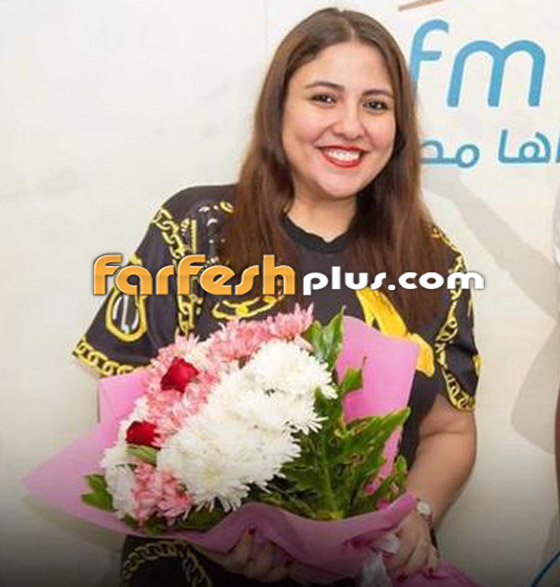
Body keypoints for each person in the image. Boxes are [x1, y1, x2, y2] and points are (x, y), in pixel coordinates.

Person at [74, 8, 479, 586]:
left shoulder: (433, 263)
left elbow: (449, 431)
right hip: (197, 568)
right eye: (324, 98)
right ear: (278, 109)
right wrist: (206, 526)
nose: (351, 125)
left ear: (399, 127)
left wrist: (416, 513)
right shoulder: (195, 229)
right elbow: (129, 414)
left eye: (375, 105)